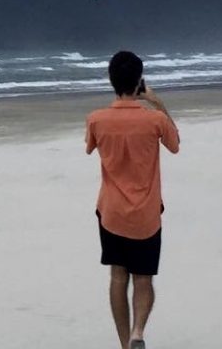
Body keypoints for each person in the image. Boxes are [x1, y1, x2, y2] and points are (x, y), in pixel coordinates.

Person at [86, 51, 180, 349]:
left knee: (117, 277)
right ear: (139, 81)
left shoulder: (96, 120)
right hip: (146, 214)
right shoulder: (154, 120)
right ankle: (138, 332)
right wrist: (156, 102)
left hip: (112, 211)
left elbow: (90, 147)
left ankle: (125, 345)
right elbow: (175, 143)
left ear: (111, 80)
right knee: (143, 279)